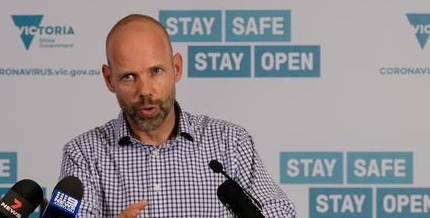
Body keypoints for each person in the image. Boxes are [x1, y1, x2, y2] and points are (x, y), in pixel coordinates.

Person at [59, 14, 297, 217]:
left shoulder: (230, 141)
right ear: (110, 80)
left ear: (177, 68)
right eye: (129, 76)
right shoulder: (83, 153)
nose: (145, 91)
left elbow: (279, 211)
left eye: (156, 71)